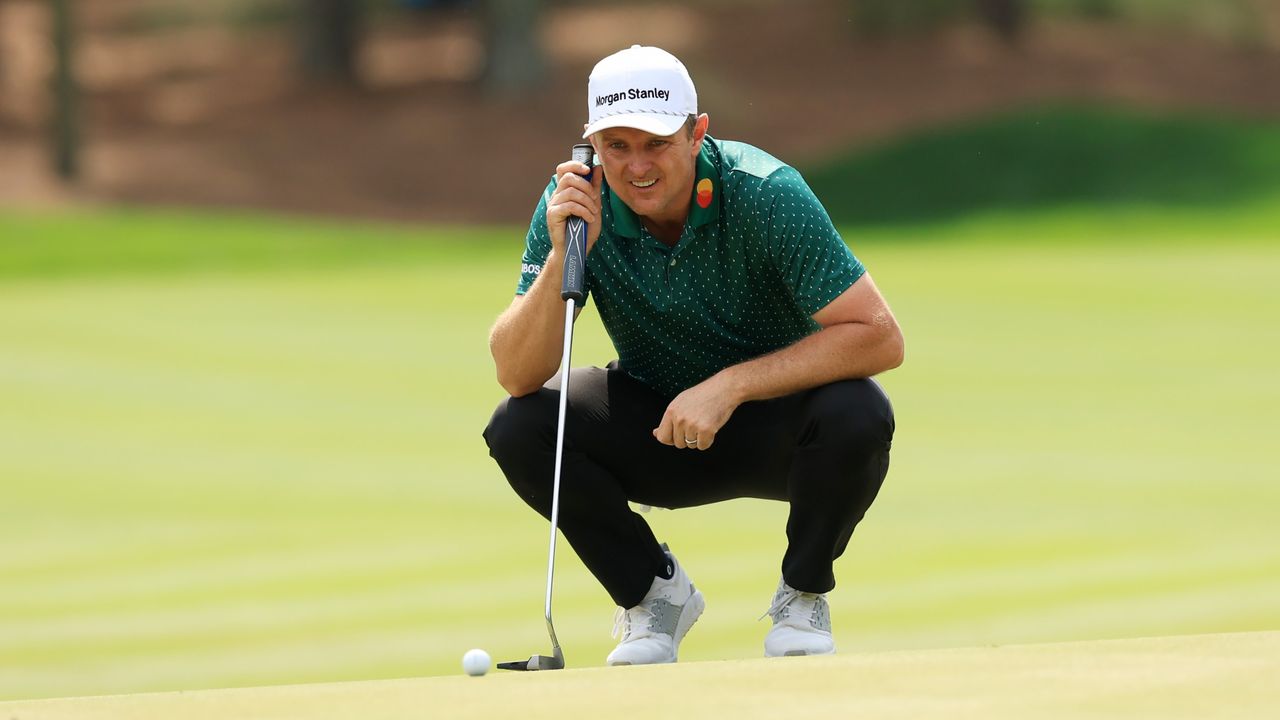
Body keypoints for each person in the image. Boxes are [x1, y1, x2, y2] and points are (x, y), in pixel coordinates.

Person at [484, 45, 902, 665]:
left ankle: (803, 593)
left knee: (859, 410)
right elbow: (517, 371)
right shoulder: (573, 204)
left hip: (780, 429)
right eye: (616, 146)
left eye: (656, 143)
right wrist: (561, 254)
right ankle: (653, 598)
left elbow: (879, 336)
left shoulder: (765, 192)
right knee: (520, 425)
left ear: (696, 132)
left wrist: (730, 385)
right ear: (590, 144)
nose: (636, 166)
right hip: (659, 426)